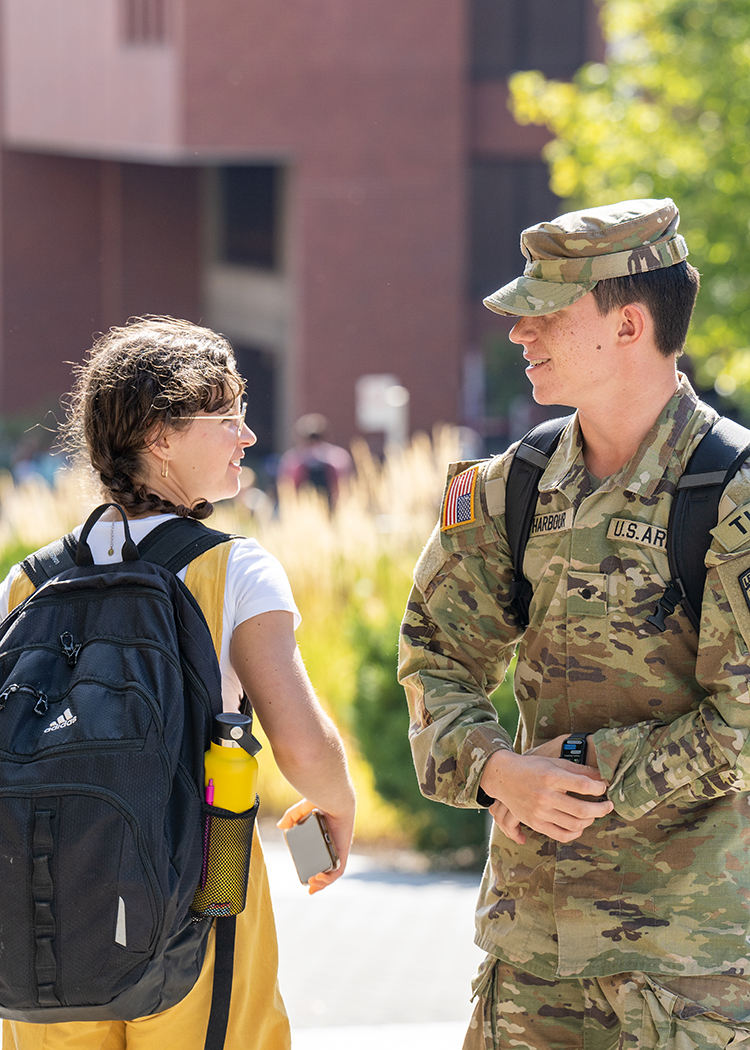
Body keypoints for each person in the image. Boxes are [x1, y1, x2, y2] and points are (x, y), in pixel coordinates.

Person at [399, 199, 750, 1048]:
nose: (522, 334)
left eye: (547, 314)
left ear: (629, 324)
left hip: (688, 971)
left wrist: (577, 773)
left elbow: (742, 722)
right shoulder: (505, 489)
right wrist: (494, 770)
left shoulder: (733, 495)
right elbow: (434, 655)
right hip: (530, 961)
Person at [0, 316, 356, 1050]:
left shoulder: (28, 582)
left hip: (42, 913)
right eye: (228, 417)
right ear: (160, 437)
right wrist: (336, 807)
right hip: (203, 890)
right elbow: (299, 741)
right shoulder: (233, 569)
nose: (248, 437)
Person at [277, 413, 353, 507]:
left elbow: (287, 486)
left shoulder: (293, 459)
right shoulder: (338, 457)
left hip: (302, 508)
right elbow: (344, 485)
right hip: (333, 507)